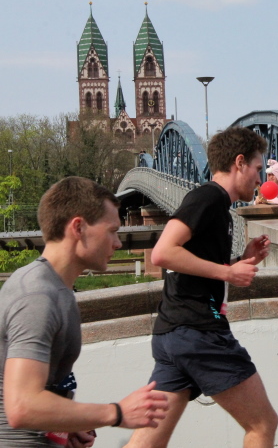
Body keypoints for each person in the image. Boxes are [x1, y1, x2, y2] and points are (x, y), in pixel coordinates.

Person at [126, 127, 278, 448]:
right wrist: (228, 273)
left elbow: (194, 263)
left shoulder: (217, 207)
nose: (259, 177)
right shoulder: (208, 197)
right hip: (199, 332)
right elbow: (163, 253)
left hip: (172, 333)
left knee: (148, 443)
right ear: (239, 162)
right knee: (262, 424)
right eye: (256, 168)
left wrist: (241, 260)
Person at [0, 177, 169, 446]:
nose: (117, 243)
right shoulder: (37, 297)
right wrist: (116, 413)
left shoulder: (56, 289)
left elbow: (40, 390)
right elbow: (22, 406)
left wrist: (69, 425)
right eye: (111, 231)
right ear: (78, 227)